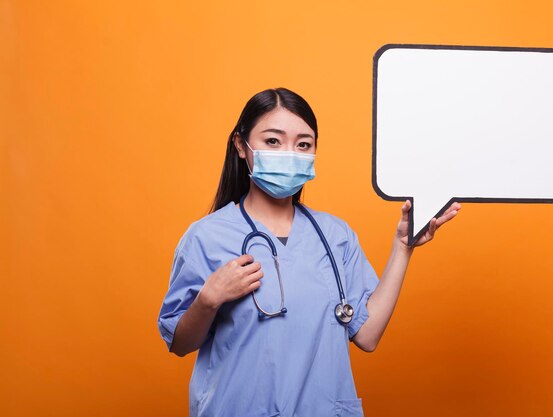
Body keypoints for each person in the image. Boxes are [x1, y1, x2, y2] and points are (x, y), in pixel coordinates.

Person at [157, 87, 461, 417]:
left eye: (303, 144)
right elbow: (180, 343)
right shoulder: (207, 237)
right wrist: (209, 299)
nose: (289, 153)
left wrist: (403, 248)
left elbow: (368, 335)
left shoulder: (335, 236)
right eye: (273, 141)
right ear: (240, 146)